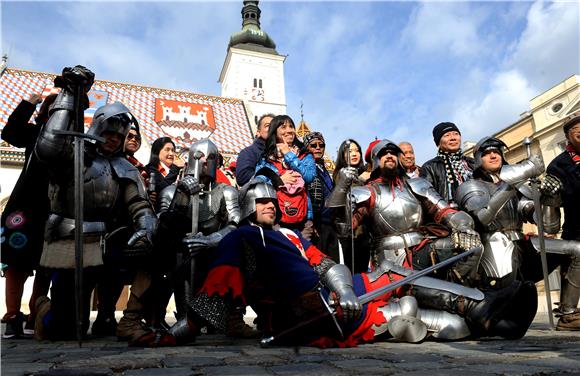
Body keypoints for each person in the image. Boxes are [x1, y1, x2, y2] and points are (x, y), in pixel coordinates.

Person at [166, 180, 536, 347]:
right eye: (262, 203)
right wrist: (180, 331)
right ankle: (483, 311)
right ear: (248, 207)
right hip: (301, 312)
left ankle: (485, 311)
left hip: (330, 295)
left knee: (391, 275)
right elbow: (219, 286)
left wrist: (343, 287)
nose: (270, 207)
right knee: (397, 290)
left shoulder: (291, 236)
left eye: (273, 204)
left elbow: (327, 265)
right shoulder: (243, 238)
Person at [32, 66, 157, 341]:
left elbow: (140, 205)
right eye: (110, 132)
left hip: (108, 239)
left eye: (119, 135)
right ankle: (45, 309)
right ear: (98, 125)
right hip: (70, 236)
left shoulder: (126, 167)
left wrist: (146, 228)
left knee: (146, 254)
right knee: (63, 328)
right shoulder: (73, 152)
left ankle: (112, 314)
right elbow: (48, 147)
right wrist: (70, 93)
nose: (114, 139)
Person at [152, 138, 257, 341]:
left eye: (211, 158)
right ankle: (164, 315)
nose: (205, 162)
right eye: (200, 157)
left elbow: (234, 225)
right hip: (180, 255)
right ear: (191, 158)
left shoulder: (226, 191)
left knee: (240, 250)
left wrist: (210, 241)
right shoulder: (171, 191)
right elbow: (163, 227)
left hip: (215, 252)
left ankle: (231, 317)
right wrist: (181, 196)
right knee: (168, 257)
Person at [1, 93, 55, 338]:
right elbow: (10, 134)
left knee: (46, 264)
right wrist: (30, 102)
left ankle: (35, 315)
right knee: (16, 262)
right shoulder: (35, 133)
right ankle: (12, 316)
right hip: (24, 205)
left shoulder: (75, 141)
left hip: (54, 207)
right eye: (54, 106)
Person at [542, 114, 580, 330]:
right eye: (577, 129)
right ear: (568, 135)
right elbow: (551, 202)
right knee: (577, 261)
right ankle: (568, 314)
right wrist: (550, 230)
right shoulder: (559, 165)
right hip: (577, 226)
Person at [255, 115, 316, 237]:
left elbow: (309, 177)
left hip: (303, 218)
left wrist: (288, 154)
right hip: (276, 217)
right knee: (281, 253)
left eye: (291, 126)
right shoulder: (265, 158)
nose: (289, 130)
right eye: (283, 127)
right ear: (274, 131)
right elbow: (258, 184)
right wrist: (279, 180)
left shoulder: (305, 155)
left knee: (303, 253)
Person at [332, 139, 371, 272]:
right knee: (354, 272)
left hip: (365, 231)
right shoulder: (341, 174)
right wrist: (361, 180)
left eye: (357, 150)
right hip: (351, 234)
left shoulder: (361, 172)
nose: (354, 154)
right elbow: (350, 197)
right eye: (349, 151)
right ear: (343, 155)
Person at [302, 132, 339, 262]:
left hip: (330, 224)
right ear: (307, 148)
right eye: (313, 145)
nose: (318, 148)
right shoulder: (305, 168)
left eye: (321, 145)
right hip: (317, 224)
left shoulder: (323, 169)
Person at [421, 122, 475, 206]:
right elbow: (427, 198)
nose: (453, 138)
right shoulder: (430, 167)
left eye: (456, 134)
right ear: (438, 143)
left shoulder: (472, 162)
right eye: (447, 135)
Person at [145, 137, 185, 209]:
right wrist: (175, 170)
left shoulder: (180, 170)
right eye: (167, 150)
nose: (171, 153)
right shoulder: (150, 169)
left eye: (173, 150)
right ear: (157, 152)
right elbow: (159, 190)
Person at [236, 113, 274, 186]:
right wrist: (277, 178)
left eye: (274, 126)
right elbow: (243, 177)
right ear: (258, 132)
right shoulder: (248, 152)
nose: (272, 128)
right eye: (268, 126)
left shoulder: (284, 152)